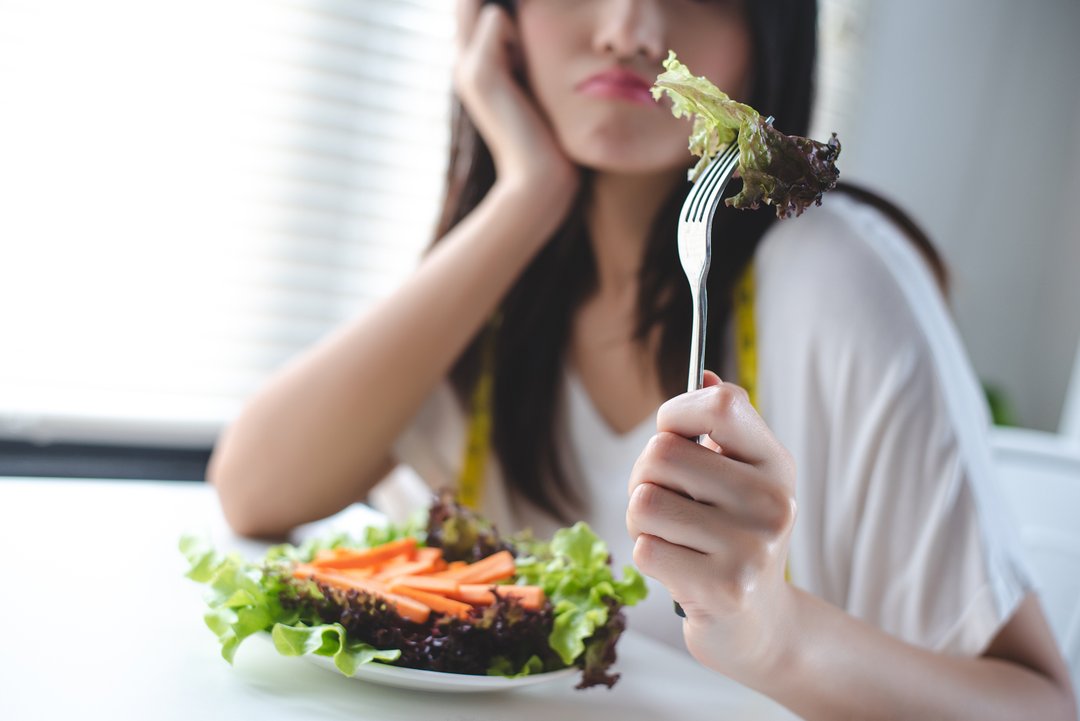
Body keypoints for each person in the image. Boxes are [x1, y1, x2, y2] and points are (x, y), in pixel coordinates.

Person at [208, 0, 1076, 717]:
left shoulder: (834, 280)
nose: (629, 26)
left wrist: (773, 633)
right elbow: (256, 487)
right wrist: (526, 194)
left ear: (769, 37)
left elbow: (1039, 703)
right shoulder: (503, 292)